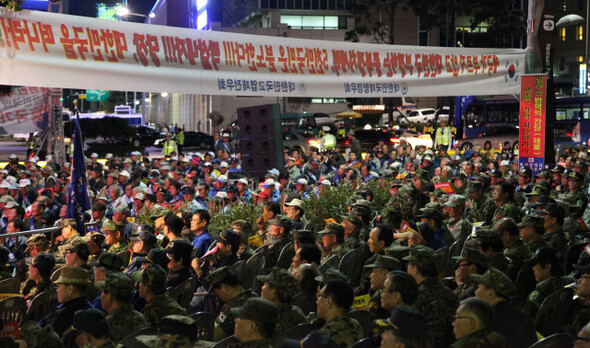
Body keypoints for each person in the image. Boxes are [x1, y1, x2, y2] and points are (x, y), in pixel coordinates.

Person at [473, 267, 537, 347]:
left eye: (478, 288)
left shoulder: (489, 321)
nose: (475, 292)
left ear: (491, 293)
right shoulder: (522, 316)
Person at [205, 266, 258, 341]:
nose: (219, 296)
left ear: (224, 288)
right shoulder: (255, 296)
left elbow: (213, 336)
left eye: (217, 292)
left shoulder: (230, 308)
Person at [38, 266, 92, 336]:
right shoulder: (87, 308)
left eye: (59, 286)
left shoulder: (65, 314)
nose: (57, 290)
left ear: (70, 289)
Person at [100, 272, 148, 343]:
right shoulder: (141, 318)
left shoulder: (105, 326)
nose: (101, 295)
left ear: (109, 297)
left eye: (103, 291)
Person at [316, 279, 363, 347]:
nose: (317, 302)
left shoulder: (324, 336)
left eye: (319, 296)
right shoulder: (356, 325)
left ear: (329, 302)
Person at [257, 267, 306, 333]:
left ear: (273, 293)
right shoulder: (298, 313)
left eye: (265, 284)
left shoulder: (265, 319)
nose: (262, 288)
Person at [138, 264, 187, 328]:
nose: (139, 285)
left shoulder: (150, 312)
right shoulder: (171, 302)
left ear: (146, 288)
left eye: (140, 282)